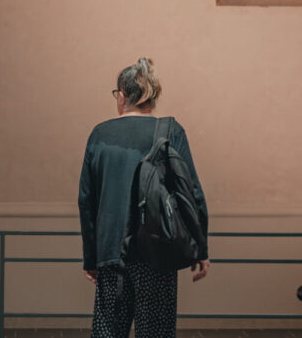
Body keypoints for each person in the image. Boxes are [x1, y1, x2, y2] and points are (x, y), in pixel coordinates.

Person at [78, 58, 210, 338]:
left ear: (122, 96)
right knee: (156, 333)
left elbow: (86, 200)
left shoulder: (100, 134)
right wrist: (201, 248)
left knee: (108, 333)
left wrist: (91, 256)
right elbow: (192, 192)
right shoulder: (171, 131)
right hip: (158, 251)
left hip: (110, 251)